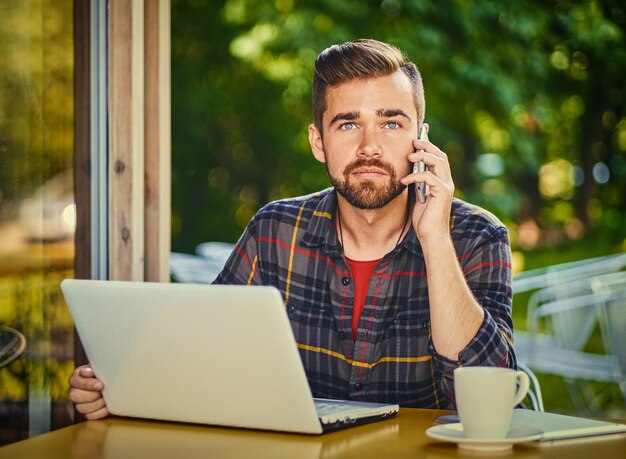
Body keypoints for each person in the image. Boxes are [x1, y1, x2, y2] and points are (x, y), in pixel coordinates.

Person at [69, 39, 515, 419]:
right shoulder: (275, 231)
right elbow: (203, 357)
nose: (369, 146)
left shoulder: (477, 236)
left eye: (391, 123)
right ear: (318, 141)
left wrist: (435, 237)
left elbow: (491, 400)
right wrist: (117, 389)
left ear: (422, 137)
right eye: (348, 124)